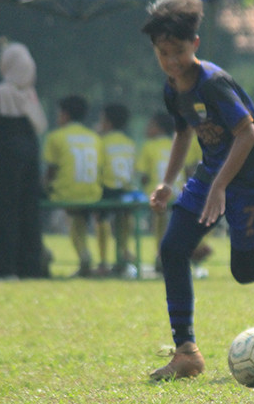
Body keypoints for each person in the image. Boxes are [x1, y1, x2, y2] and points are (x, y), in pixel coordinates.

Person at [141, 0, 254, 381]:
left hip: (251, 179)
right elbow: (184, 132)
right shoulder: (173, 87)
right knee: (172, 248)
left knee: (245, 269)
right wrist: (167, 183)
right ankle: (186, 351)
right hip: (214, 172)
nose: (171, 61)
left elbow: (248, 133)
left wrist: (219, 186)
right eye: (163, 52)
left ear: (196, 45)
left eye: (179, 52)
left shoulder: (213, 84)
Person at [0, 42, 48, 279]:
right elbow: (39, 125)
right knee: (29, 210)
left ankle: (5, 267)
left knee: (5, 211)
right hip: (31, 153)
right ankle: (31, 266)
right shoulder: (30, 94)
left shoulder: (1, 92)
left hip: (8, 155)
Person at [136, 111, 206, 276]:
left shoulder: (149, 146)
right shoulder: (178, 143)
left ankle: (161, 257)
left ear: (157, 128)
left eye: (150, 125)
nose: (147, 128)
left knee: (160, 225)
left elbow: (144, 176)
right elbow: (189, 169)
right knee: (177, 226)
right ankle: (183, 255)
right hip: (179, 193)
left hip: (158, 194)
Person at [44, 95, 102, 277]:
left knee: (34, 201)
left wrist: (44, 186)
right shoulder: (95, 138)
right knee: (78, 218)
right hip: (92, 193)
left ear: (65, 114)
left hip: (65, 194)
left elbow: (51, 171)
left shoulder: (55, 136)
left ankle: (41, 253)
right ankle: (84, 254)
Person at [96, 103, 138, 276]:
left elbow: (98, 167)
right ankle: (124, 252)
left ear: (107, 122)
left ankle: (103, 261)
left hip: (107, 188)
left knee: (101, 219)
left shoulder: (101, 141)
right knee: (123, 222)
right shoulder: (130, 143)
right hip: (126, 190)